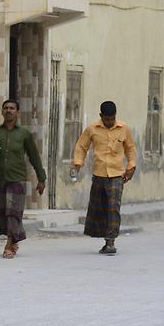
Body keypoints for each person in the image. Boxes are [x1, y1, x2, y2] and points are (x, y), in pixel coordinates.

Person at [0, 99, 46, 259]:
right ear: (2, 112)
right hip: (0, 179)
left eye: (12, 108)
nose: (9, 110)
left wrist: (41, 178)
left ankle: (9, 244)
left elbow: (34, 157)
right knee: (3, 213)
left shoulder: (24, 134)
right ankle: (13, 239)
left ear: (17, 112)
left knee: (14, 212)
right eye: (6, 108)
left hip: (17, 180)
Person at [71, 100, 137, 255]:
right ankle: (104, 238)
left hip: (116, 175)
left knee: (113, 207)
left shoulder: (123, 128)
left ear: (115, 116)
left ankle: (110, 242)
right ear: (101, 116)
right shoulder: (92, 129)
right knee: (100, 209)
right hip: (99, 174)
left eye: (112, 118)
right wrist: (77, 163)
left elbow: (130, 149)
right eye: (106, 119)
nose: (109, 121)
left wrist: (131, 166)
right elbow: (81, 146)